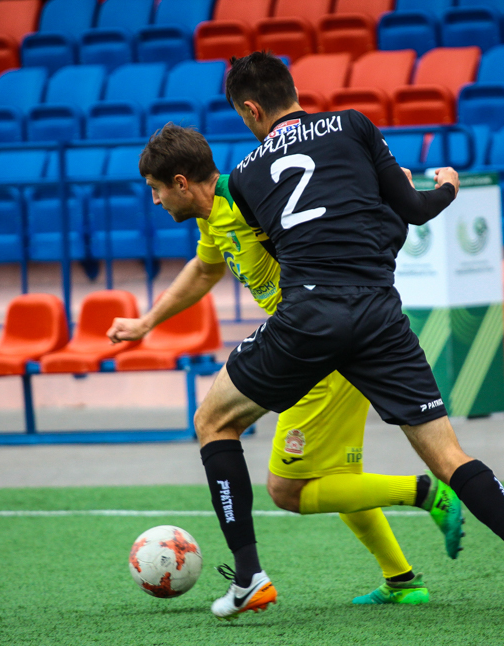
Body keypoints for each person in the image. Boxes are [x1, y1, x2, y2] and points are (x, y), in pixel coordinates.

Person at [186, 51, 504, 623]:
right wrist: (447, 188)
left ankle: (249, 576)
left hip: (308, 316)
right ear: (293, 89)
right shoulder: (353, 124)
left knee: (213, 421)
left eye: (243, 115)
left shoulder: (244, 176)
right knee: (449, 455)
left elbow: (282, 249)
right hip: (379, 314)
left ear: (251, 109)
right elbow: (411, 209)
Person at [110, 124, 466, 612]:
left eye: (155, 188)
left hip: (315, 348)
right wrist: (147, 322)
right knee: (340, 475)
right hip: (316, 345)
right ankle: (402, 580)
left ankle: (427, 493)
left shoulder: (250, 199)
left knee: (287, 489)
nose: (153, 200)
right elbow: (206, 269)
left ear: (180, 182)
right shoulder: (212, 216)